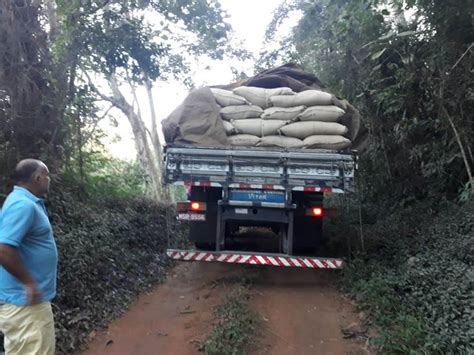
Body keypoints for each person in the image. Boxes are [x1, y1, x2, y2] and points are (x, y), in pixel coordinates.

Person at [0, 159, 57, 354]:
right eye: (47, 175)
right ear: (37, 177)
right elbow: (4, 248)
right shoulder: (22, 205)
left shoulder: (25, 202)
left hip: (26, 303)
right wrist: (29, 283)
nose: (49, 180)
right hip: (25, 304)